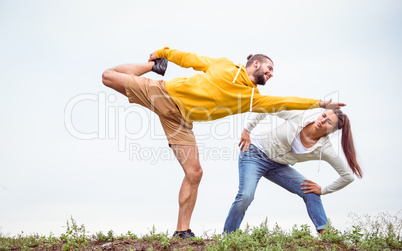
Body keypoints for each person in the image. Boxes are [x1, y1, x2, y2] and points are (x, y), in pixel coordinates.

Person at [101, 47, 345, 238]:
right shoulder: (225, 65)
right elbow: (190, 59)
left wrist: (319, 104)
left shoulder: (253, 98)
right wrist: (164, 53)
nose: (271, 74)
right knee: (108, 77)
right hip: (163, 93)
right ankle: (151, 67)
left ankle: (182, 231)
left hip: (180, 121)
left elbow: (284, 101)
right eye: (269, 68)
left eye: (272, 72)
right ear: (256, 63)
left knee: (195, 172)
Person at [223, 108, 362, 234]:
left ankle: (327, 237)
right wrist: (247, 130)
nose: (322, 120)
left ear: (332, 131)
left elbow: (347, 176)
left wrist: (323, 190)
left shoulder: (325, 149)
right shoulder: (300, 116)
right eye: (323, 115)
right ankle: (228, 237)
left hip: (278, 166)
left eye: (328, 122)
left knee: (311, 192)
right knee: (246, 195)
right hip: (254, 153)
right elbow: (268, 107)